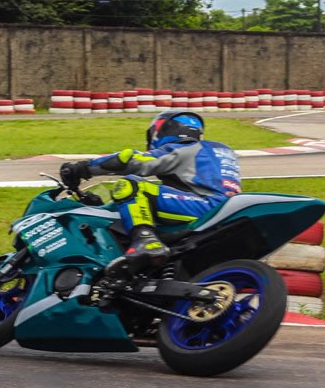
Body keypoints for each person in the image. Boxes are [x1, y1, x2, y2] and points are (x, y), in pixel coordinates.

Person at [60, 110, 241, 272]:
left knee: (131, 185)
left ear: (166, 129)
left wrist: (84, 168)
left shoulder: (186, 148)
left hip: (204, 206)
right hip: (227, 209)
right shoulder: (220, 150)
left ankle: (146, 241)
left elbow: (132, 161)